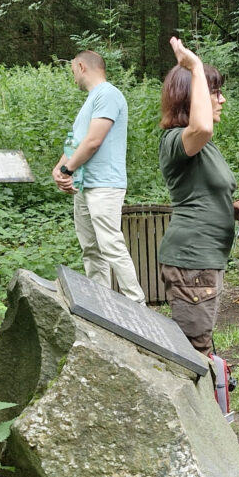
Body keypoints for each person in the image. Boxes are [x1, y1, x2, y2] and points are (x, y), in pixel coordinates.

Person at [157, 38, 239, 354]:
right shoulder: (176, 141)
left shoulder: (203, 148)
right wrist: (195, 66)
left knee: (201, 348)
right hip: (191, 263)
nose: (222, 100)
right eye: (215, 93)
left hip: (204, 262)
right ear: (190, 96)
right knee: (194, 354)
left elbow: (200, 193)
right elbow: (202, 127)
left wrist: (231, 208)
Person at [53, 50, 145, 303]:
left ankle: (138, 305)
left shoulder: (108, 94)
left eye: (72, 70)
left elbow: (94, 141)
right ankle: (101, 306)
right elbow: (77, 142)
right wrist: (59, 167)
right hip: (85, 185)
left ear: (81, 66)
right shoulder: (91, 100)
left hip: (105, 185)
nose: (72, 77)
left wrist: (67, 170)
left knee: (110, 246)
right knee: (91, 249)